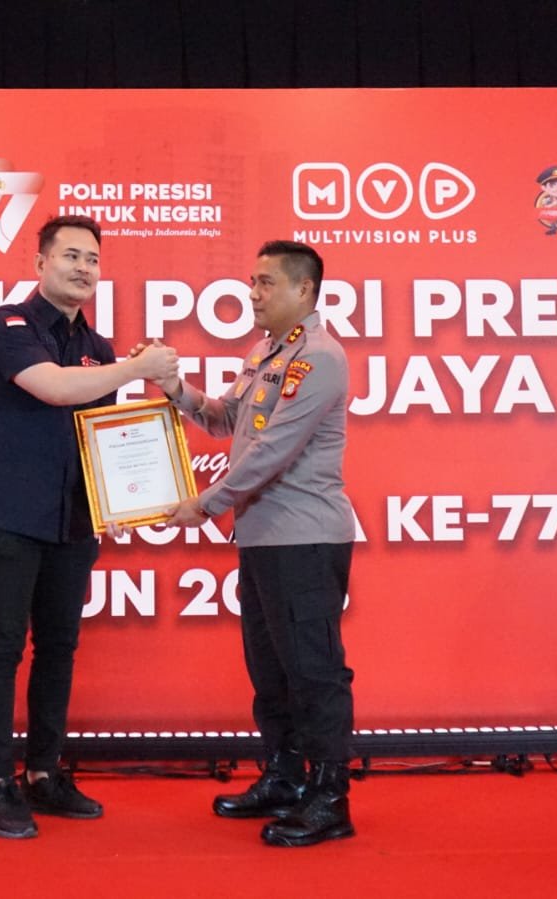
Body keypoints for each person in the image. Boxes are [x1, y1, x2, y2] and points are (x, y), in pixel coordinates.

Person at [0, 214, 178, 839]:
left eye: (93, 259)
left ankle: (43, 773)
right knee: (3, 646)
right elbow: (54, 389)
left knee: (59, 648)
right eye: (71, 256)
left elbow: (98, 436)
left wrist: (123, 500)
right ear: (40, 264)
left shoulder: (100, 348)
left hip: (73, 520)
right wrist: (135, 370)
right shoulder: (9, 324)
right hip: (8, 515)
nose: (84, 268)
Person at [155, 239, 357, 847]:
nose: (253, 293)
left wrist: (204, 505)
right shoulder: (266, 352)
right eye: (252, 281)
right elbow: (226, 420)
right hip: (264, 539)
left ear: (304, 289)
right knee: (270, 670)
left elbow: (273, 451)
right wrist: (175, 388)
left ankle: (329, 798)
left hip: (304, 538)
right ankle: (285, 778)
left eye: (266, 282)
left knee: (314, 671)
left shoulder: (319, 357)